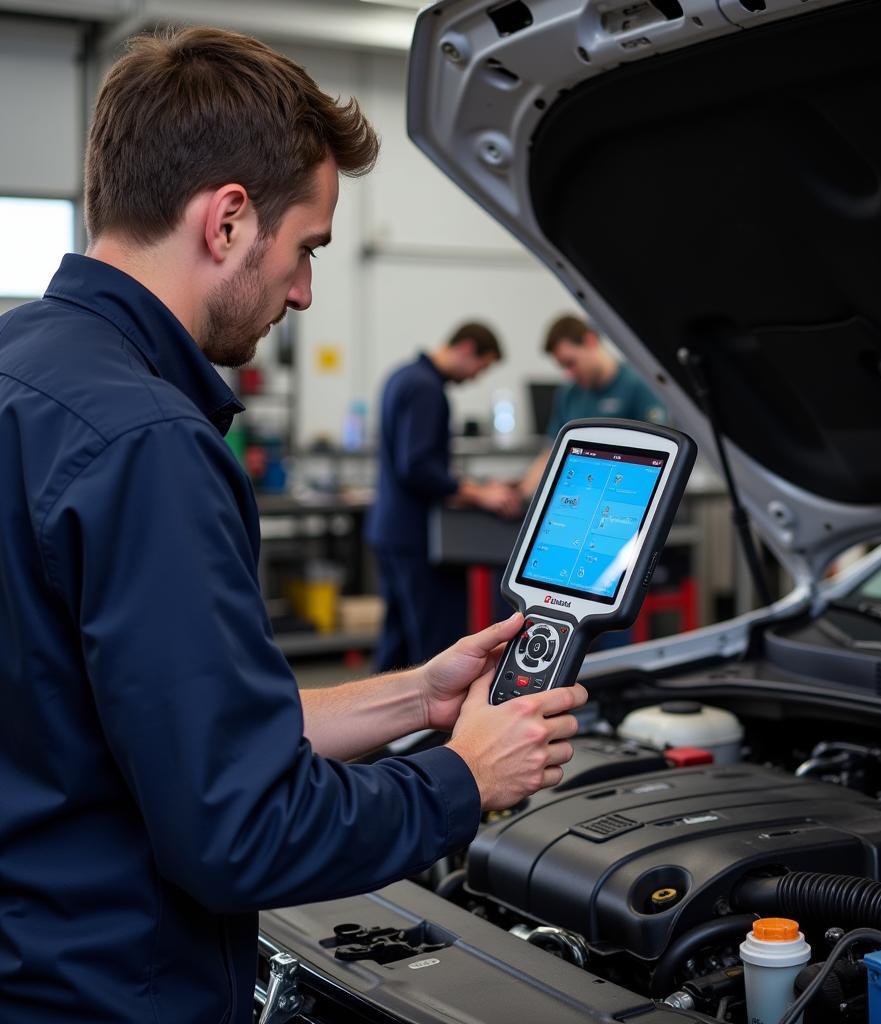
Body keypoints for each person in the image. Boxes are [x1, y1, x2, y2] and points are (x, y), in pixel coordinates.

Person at [0, 28, 586, 1023]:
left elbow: (163, 723)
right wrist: (461, 780)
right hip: (108, 989)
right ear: (228, 219)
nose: (306, 290)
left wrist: (415, 695)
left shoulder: (23, 365)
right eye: (307, 246)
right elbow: (240, 830)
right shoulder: (150, 443)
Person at [367, 324, 521, 672]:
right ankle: (437, 728)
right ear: (467, 348)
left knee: (398, 646)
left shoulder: (402, 375)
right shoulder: (427, 389)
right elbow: (418, 466)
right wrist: (480, 495)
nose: (475, 379)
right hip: (419, 539)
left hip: (390, 532)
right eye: (480, 368)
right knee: (435, 652)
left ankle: (391, 726)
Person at [519, 314, 670, 498]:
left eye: (571, 363)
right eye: (563, 367)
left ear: (590, 341)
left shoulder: (639, 386)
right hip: (580, 495)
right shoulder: (568, 394)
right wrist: (522, 493)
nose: (569, 373)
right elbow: (551, 451)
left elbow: (660, 453)